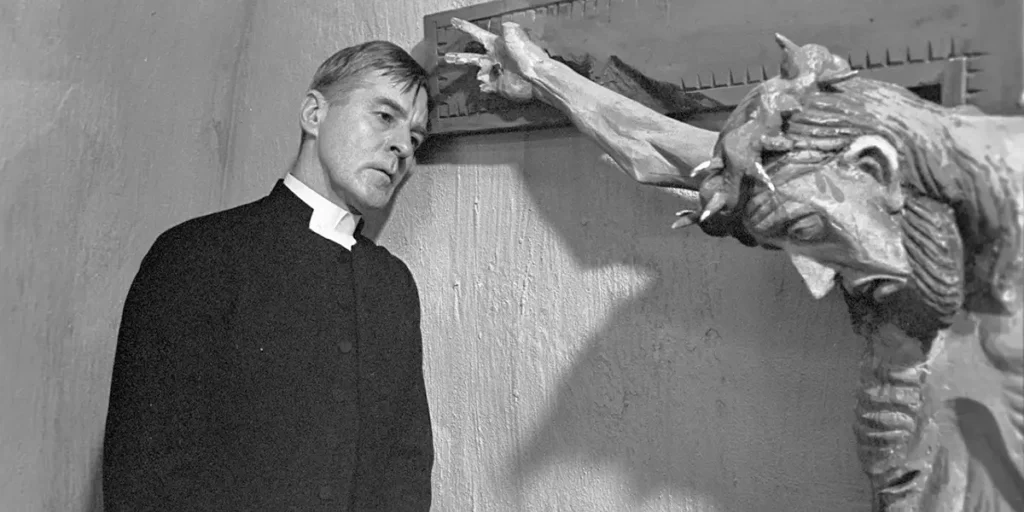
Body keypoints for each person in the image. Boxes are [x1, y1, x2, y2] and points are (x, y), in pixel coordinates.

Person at [102, 40, 434, 511]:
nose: (402, 147)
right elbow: (142, 467)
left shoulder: (393, 285)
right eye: (384, 116)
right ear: (314, 114)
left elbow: (407, 466)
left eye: (416, 138)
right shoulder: (197, 253)